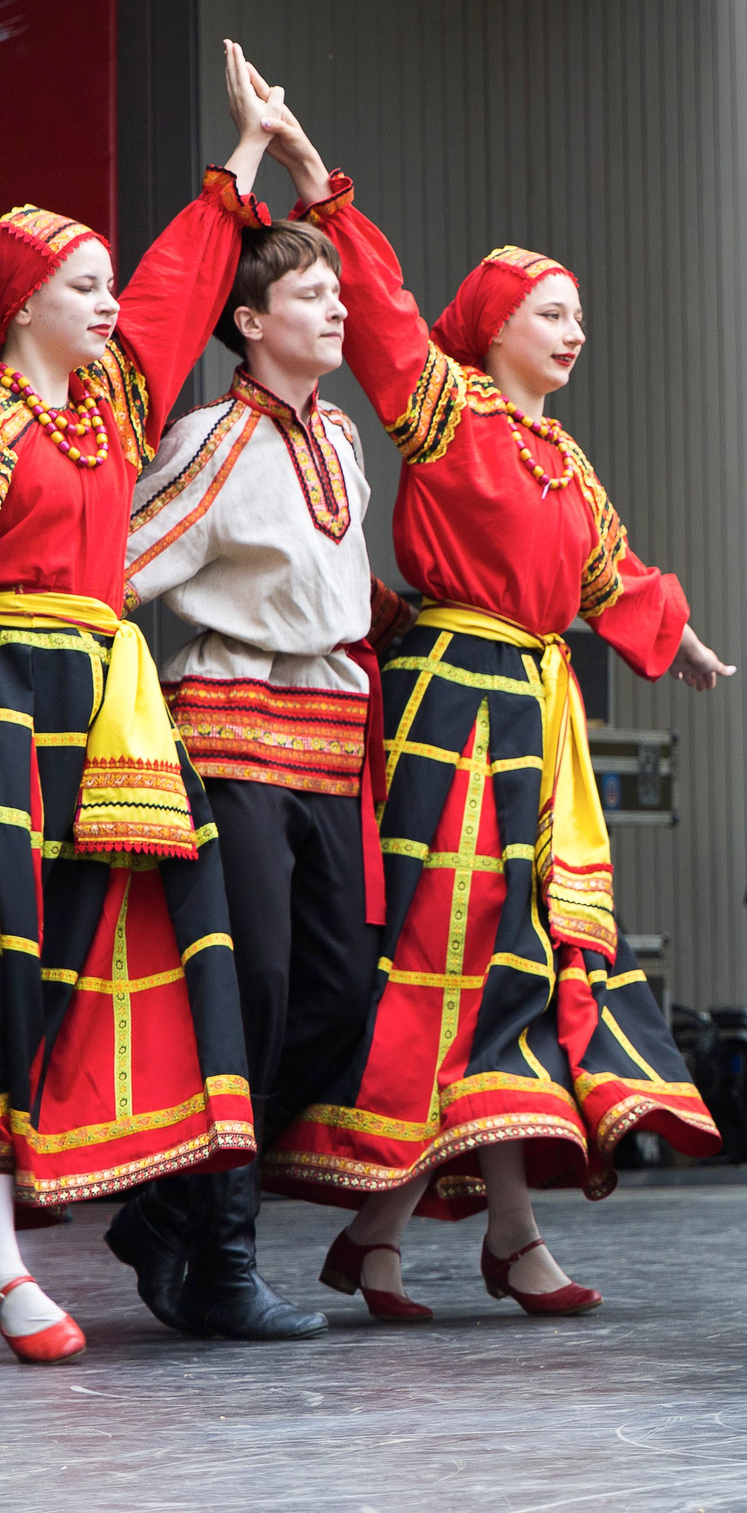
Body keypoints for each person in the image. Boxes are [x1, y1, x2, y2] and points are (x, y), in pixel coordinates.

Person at [262, 114, 731, 1317]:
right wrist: (327, 197)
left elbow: (608, 579)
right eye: (551, 315)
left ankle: (454, 1236)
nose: (574, 334)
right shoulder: (444, 408)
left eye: (577, 318)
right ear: (494, 327)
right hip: (453, 709)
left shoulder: (565, 460)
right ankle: (441, 1234)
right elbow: (383, 312)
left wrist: (673, 638)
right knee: (444, 950)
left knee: (512, 959)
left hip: (532, 715)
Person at [0, 41, 283, 1361]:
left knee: (92, 960)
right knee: (3, 960)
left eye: (108, 282)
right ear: (23, 302)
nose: (111, 302)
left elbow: (180, 285)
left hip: (101, 713)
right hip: (4, 698)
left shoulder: (110, 402)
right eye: (83, 284)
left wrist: (242, 159)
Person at [111, 100, 392, 1344]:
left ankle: (173, 1213)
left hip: (331, 735)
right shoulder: (212, 439)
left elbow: (341, 589)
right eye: (308, 298)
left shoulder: (342, 437)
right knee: (257, 989)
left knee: (341, 996)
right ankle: (219, 1256)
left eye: (338, 295)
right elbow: (119, 566)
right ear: (249, 323)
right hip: (227, 724)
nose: (335, 310)